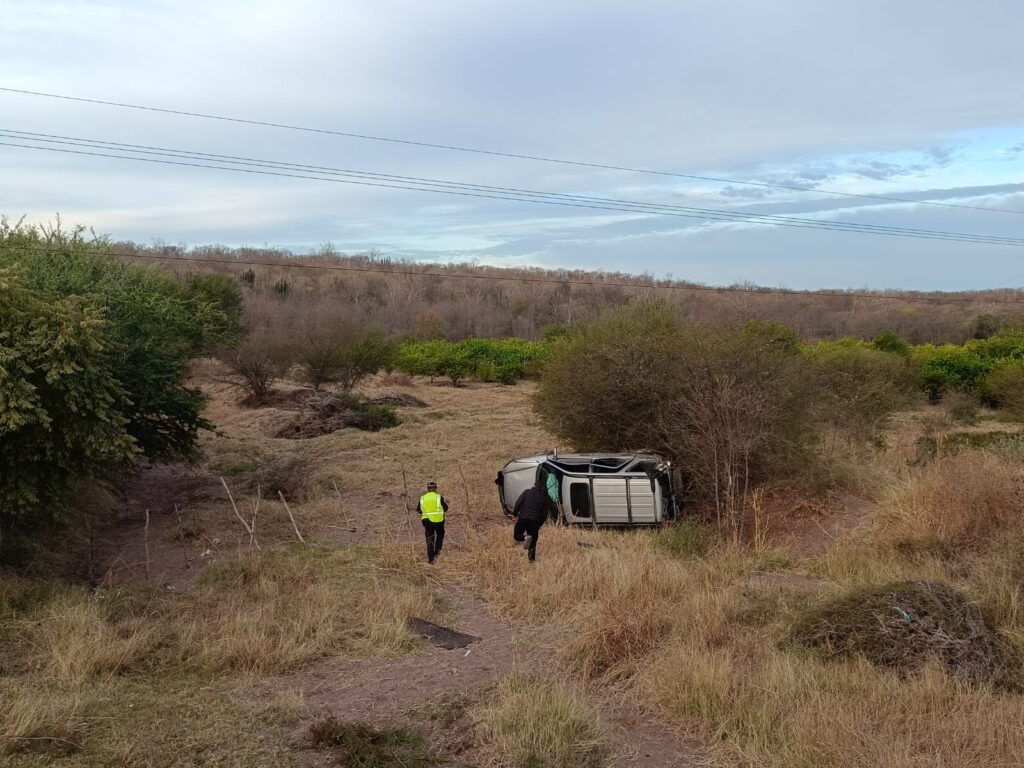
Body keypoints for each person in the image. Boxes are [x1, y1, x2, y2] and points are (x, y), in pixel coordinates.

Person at [512, 478, 547, 562]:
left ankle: (525, 537)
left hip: (523, 518)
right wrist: (540, 524)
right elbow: (544, 514)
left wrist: (515, 514)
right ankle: (531, 561)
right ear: (541, 488)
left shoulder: (527, 492)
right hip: (535, 522)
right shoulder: (543, 498)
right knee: (533, 542)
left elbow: (518, 503)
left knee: (517, 535)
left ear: (534, 485)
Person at [417, 481, 448, 564]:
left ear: (428, 489)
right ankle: (437, 552)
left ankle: (431, 560)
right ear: (435, 489)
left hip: (427, 522)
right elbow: (445, 508)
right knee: (440, 535)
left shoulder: (422, 498)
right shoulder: (439, 497)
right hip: (439, 521)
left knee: (430, 539)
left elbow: (419, 510)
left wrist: (427, 512)